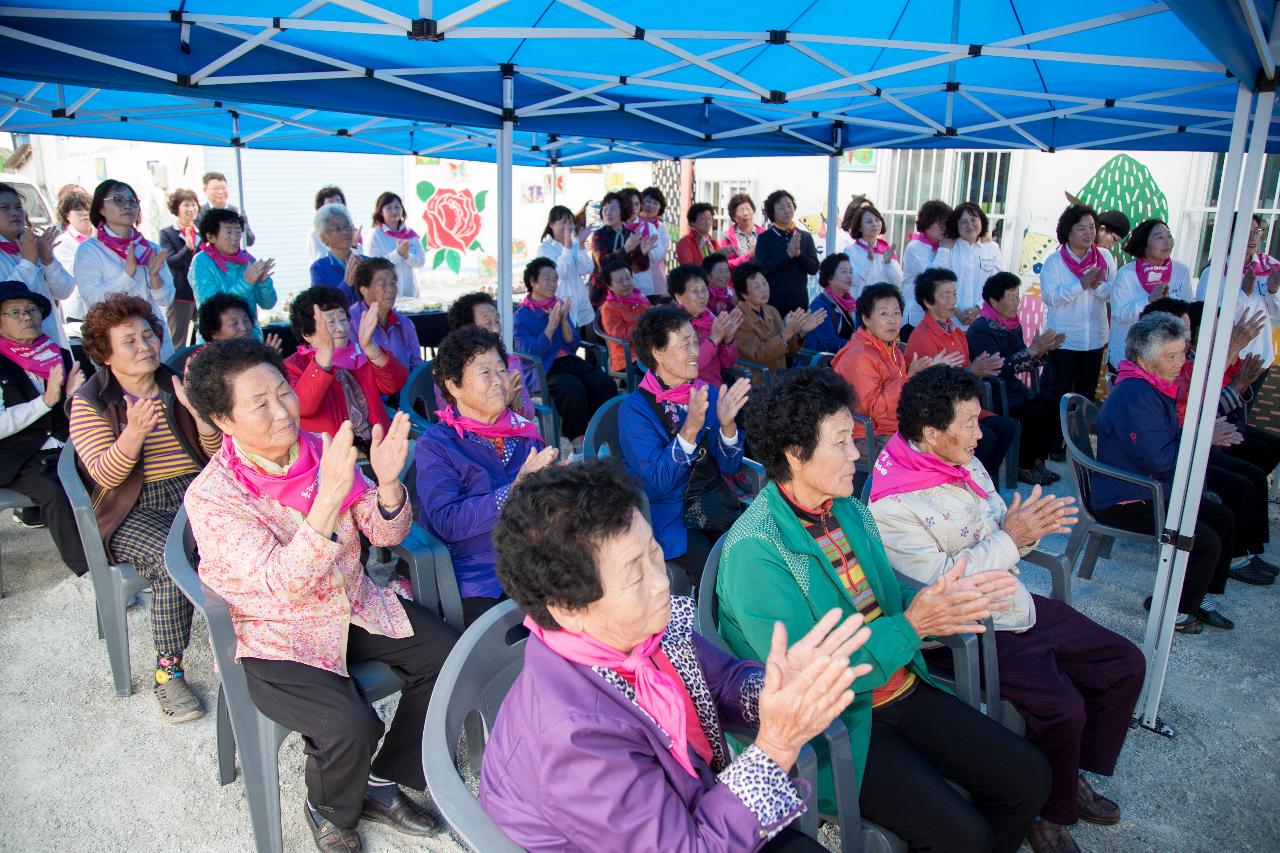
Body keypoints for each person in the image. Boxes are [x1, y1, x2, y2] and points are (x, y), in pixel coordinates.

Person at [716, 366, 1052, 853]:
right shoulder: (757, 551)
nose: (858, 452)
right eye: (841, 442)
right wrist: (915, 625)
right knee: (964, 834)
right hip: (836, 726)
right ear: (795, 454)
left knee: (1028, 776)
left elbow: (887, 595)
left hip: (899, 684)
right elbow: (809, 678)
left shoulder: (847, 509)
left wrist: (939, 604)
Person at [481, 458, 867, 852]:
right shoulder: (574, 740)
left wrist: (773, 689)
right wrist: (777, 745)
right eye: (635, 575)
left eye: (653, 552)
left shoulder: (636, 634)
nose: (661, 580)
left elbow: (719, 681)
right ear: (568, 608)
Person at [183, 339, 458, 849]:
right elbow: (285, 585)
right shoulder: (214, 497)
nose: (283, 410)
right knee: (349, 723)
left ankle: (381, 777)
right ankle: (330, 808)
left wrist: (391, 486)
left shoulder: (316, 450)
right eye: (259, 404)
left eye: (283, 391)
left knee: (448, 656)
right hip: (277, 634)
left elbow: (383, 534)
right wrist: (328, 498)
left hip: (350, 603)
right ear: (224, 421)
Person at [869, 365, 1144, 853]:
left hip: (1008, 601)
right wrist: (1010, 539)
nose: (981, 432)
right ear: (931, 433)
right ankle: (1047, 813)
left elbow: (996, 519)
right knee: (1063, 706)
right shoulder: (892, 504)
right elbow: (939, 585)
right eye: (970, 423)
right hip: (966, 626)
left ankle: (1071, 771)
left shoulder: (959, 461)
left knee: (1123, 663)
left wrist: (1025, 525)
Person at [68, 294, 221, 721]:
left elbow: (212, 456)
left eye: (148, 335)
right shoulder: (92, 401)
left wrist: (201, 416)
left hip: (192, 492)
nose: (146, 346)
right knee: (172, 559)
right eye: (130, 341)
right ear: (106, 352)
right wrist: (132, 434)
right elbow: (106, 475)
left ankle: (255, 642)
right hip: (132, 506)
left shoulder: (176, 384)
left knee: (245, 536)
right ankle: (167, 673)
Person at [1092, 312, 1243, 633]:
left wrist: (1203, 433)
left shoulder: (1151, 387)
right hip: (1127, 499)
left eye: (1182, 354)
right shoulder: (1136, 394)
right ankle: (1174, 611)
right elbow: (1160, 461)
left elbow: (1164, 446)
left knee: (1223, 519)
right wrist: (1204, 437)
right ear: (1145, 360)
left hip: (1150, 489)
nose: (1180, 363)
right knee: (1204, 541)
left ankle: (1196, 598)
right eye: (1171, 356)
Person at [415, 326, 557, 626]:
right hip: (477, 575)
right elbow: (448, 521)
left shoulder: (522, 431)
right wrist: (515, 489)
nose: (498, 381)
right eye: (485, 372)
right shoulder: (437, 445)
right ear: (453, 385)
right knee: (510, 650)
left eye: (501, 370)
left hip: (535, 562)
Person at [1142, 298, 1279, 588]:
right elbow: (1193, 408)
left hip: (1188, 449)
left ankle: (1244, 551)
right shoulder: (1151, 377)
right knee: (1242, 485)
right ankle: (1235, 558)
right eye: (1183, 330)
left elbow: (1203, 406)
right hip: (1172, 465)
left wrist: (1239, 382)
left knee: (1251, 474)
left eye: (1189, 330)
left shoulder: (1179, 361)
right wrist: (1230, 356)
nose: (1189, 337)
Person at [618, 305, 750, 583]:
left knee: (758, 554)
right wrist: (689, 430)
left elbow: (729, 465)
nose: (695, 351)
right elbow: (659, 482)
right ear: (658, 352)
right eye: (684, 343)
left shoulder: (706, 392)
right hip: (667, 517)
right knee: (724, 574)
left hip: (713, 504)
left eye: (696, 341)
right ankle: (717, 625)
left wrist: (727, 425)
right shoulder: (635, 410)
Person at [0, 281, 88, 575]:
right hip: (18, 457)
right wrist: (46, 401)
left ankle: (125, 553)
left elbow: (74, 412)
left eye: (32, 309)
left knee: (111, 473)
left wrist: (73, 398)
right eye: (15, 312)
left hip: (66, 445)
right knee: (56, 489)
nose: (27, 317)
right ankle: (90, 572)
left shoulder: (58, 354)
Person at [904, 267, 1017, 485]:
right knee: (987, 438)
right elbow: (929, 392)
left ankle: (985, 483)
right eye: (946, 295)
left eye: (954, 294)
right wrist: (972, 371)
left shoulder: (956, 332)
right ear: (928, 302)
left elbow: (966, 377)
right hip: (940, 413)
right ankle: (964, 482)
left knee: (1006, 427)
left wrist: (979, 370)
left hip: (962, 407)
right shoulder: (923, 337)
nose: (952, 300)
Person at [968, 272, 1067, 484]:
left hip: (1013, 388)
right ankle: (1024, 465)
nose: (1017, 302)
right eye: (1011, 297)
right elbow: (998, 367)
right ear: (994, 301)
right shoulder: (981, 329)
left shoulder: (1012, 324)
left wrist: (1042, 351)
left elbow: (1022, 358)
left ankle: (1039, 462)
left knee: (1053, 406)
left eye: (1017, 296)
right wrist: (1032, 351)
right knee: (1036, 413)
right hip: (993, 392)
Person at [284, 286, 408, 451]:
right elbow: (303, 408)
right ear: (307, 333)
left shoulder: (358, 354)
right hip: (328, 455)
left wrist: (370, 346)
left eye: (343, 319)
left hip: (378, 446)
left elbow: (395, 383)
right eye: (330, 322)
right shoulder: (293, 366)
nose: (341, 328)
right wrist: (325, 354)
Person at [513, 258, 616, 451]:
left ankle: (599, 432)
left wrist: (564, 322)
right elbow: (531, 353)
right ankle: (578, 443)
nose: (553, 284)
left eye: (555, 279)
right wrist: (551, 326)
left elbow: (573, 344)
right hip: (543, 367)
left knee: (602, 381)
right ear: (533, 282)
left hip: (567, 360)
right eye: (547, 279)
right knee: (572, 389)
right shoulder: (522, 316)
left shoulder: (558, 305)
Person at [832, 283, 949, 453]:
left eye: (896, 313)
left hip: (892, 426)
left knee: (948, 439)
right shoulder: (859, 355)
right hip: (864, 435)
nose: (892, 320)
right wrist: (910, 377)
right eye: (884, 313)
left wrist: (929, 370)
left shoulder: (891, 347)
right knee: (927, 455)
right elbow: (872, 408)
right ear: (866, 318)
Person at [74, 180, 175, 358]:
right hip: (117, 340)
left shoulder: (149, 248)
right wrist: (127, 275)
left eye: (132, 201)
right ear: (100, 208)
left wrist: (154, 276)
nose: (127, 206)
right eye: (118, 200)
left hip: (152, 333)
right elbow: (92, 298)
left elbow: (166, 299)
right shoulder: (90, 250)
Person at [1195, 213, 1279, 416]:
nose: (1252, 238)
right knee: (1221, 415)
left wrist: (1273, 292)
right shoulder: (1214, 271)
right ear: (1229, 235)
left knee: (1242, 418)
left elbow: (1276, 316)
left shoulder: (1270, 266)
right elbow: (1206, 318)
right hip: (1226, 359)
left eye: (1256, 232)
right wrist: (1243, 294)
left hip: (1260, 358)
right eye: (1245, 232)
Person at [0, 181, 75, 350]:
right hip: (16, 354)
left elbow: (65, 291)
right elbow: (7, 299)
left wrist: (48, 260)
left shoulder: (32, 245)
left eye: (18, 207)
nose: (15, 213)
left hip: (53, 344)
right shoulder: (28, 252)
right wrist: (28, 262)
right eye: (5, 207)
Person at [1110, 219, 1191, 370]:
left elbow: (1187, 311)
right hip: (1128, 357)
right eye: (1159, 237)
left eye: (1169, 236)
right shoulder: (1126, 274)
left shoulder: (1181, 271)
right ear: (1144, 243)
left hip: (1164, 361)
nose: (1167, 242)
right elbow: (1119, 315)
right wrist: (1149, 300)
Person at [444, 291, 535, 422]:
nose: (496, 329)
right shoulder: (451, 367)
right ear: (466, 328)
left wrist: (516, 403)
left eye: (497, 321)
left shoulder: (511, 362)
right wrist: (501, 406)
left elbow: (529, 413)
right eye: (488, 322)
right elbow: (450, 417)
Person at [190, 207, 276, 341]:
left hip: (250, 337)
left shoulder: (247, 260)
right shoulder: (202, 261)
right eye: (229, 232)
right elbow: (211, 308)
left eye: (238, 232)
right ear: (211, 237)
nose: (235, 238)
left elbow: (268, 304)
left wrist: (264, 283)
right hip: (218, 341)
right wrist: (246, 282)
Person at [733, 261, 824, 379]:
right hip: (757, 384)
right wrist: (786, 334)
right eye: (757, 287)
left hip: (779, 379)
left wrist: (801, 332)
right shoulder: (737, 318)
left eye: (764, 283)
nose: (764, 290)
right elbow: (759, 354)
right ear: (743, 294)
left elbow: (790, 350)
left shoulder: (771, 310)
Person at [348, 256, 423, 377]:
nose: (390, 289)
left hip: (404, 394)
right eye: (382, 284)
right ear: (364, 290)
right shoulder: (349, 323)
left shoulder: (405, 325)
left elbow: (416, 369)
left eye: (393, 283)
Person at [669, 262, 741, 387]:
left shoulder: (709, 319)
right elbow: (689, 366)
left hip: (715, 389)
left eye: (704, 290)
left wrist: (728, 339)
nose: (702, 296)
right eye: (695, 291)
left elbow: (728, 363)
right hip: (689, 394)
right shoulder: (672, 325)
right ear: (678, 297)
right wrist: (713, 340)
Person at [933, 202, 1002, 329]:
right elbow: (935, 280)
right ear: (956, 225)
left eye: (973, 220)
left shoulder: (992, 248)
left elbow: (997, 285)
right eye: (963, 222)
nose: (970, 225)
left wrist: (978, 308)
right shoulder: (949, 247)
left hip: (983, 322)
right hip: (951, 322)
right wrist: (955, 310)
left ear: (982, 221)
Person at [753, 190, 820, 317]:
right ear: (772, 212)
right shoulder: (764, 238)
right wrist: (787, 255)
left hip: (799, 302)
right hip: (773, 302)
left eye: (789, 206)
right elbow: (762, 269)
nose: (787, 210)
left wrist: (799, 254)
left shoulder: (804, 236)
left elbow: (814, 268)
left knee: (800, 335)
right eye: (781, 207)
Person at [536, 205, 596, 335]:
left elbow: (586, 269)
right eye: (563, 222)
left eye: (570, 222)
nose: (568, 226)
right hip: (560, 307)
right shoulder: (545, 249)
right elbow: (559, 274)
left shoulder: (575, 243)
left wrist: (580, 245)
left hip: (580, 305)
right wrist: (568, 246)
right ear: (551, 224)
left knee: (584, 345)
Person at [900, 200, 952, 336]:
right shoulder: (915, 246)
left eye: (946, 223)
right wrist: (945, 249)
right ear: (927, 222)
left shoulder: (941, 246)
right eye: (939, 223)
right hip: (914, 319)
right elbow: (933, 277)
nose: (943, 227)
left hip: (935, 319)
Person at [158, 188, 200, 347]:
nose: (191, 209)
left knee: (203, 337)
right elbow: (171, 261)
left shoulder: (202, 232)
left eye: (193, 205)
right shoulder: (168, 233)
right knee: (178, 340)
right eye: (186, 205)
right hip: (180, 294)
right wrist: (187, 249)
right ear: (177, 209)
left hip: (200, 293)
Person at [363, 191, 423, 299]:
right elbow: (374, 266)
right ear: (380, 211)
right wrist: (398, 254)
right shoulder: (375, 235)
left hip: (410, 293)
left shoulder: (410, 234)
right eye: (389, 208)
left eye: (397, 207)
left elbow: (420, 262)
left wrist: (407, 256)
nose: (394, 211)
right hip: (386, 295)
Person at [597, 257, 648, 381]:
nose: (625, 284)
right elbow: (621, 336)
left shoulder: (640, 299)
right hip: (628, 357)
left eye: (627, 278)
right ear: (610, 286)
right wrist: (646, 324)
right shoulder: (609, 308)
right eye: (620, 281)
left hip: (649, 350)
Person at [840, 198, 902, 298]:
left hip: (883, 306)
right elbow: (851, 281)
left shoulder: (887, 249)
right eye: (869, 221)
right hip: (859, 307)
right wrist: (868, 262)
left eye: (877, 220)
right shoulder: (850, 251)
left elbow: (898, 282)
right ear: (859, 227)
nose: (874, 224)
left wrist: (888, 264)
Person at [590, 192, 645, 302]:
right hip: (602, 293)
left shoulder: (630, 234)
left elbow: (641, 267)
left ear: (623, 211)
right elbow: (603, 263)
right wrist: (625, 250)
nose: (608, 213)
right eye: (605, 209)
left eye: (613, 209)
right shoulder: (599, 235)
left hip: (625, 291)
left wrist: (643, 253)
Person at [51, 188, 93, 322]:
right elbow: (76, 271)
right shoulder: (63, 242)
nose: (84, 213)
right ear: (66, 215)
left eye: (87, 208)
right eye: (78, 210)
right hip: (79, 312)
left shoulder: (101, 237)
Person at [310, 203, 363, 305]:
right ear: (324, 237)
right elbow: (322, 305)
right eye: (337, 228)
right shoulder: (319, 268)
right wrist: (346, 284)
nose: (345, 232)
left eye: (347, 226)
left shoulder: (365, 262)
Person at [804, 253, 857, 353]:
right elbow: (830, 342)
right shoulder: (820, 305)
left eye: (850, 272)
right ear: (829, 278)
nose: (849, 276)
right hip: (822, 364)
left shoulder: (852, 304)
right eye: (844, 272)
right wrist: (858, 346)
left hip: (846, 358)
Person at [196, 292, 283, 352]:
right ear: (214, 333)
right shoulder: (202, 362)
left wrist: (271, 360)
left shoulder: (255, 351)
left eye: (246, 320)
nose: (244, 328)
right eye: (234, 323)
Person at [195, 171, 254, 246]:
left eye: (224, 188)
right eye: (216, 189)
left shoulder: (237, 211)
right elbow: (200, 242)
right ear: (205, 190)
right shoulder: (198, 214)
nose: (220, 192)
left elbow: (250, 240)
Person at [631, 187, 671, 295]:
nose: (650, 206)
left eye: (655, 203)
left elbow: (662, 253)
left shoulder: (661, 227)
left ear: (660, 207)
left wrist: (644, 253)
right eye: (647, 201)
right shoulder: (631, 223)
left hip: (655, 274)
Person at [719, 192, 764, 270]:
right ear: (733, 216)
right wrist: (748, 256)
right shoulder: (727, 237)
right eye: (741, 210)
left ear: (753, 211)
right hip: (738, 280)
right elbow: (725, 264)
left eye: (748, 209)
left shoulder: (764, 234)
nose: (746, 213)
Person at [309, 186, 348, 262]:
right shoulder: (316, 232)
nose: (336, 206)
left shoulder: (348, 229)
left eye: (338, 201)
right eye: (331, 202)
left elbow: (359, 261)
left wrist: (354, 245)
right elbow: (322, 261)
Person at [701, 251, 737, 315]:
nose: (725, 275)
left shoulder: (733, 293)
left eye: (726, 271)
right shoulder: (704, 300)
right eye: (720, 272)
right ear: (708, 276)